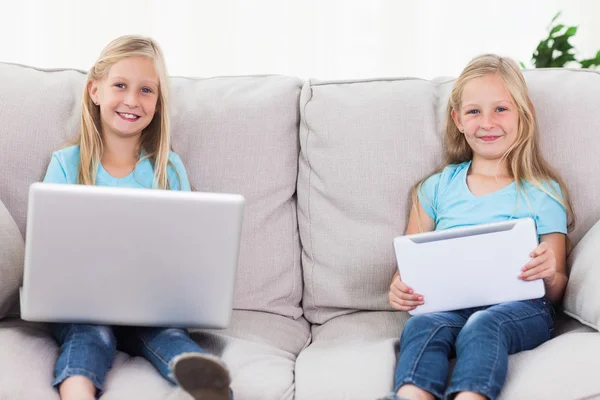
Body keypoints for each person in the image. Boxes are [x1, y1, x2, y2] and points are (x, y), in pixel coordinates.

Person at [43, 35, 232, 400]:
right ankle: (77, 392)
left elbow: (187, 248)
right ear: (94, 91)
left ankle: (207, 385)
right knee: (89, 334)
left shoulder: (168, 170)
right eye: (120, 86)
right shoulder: (65, 165)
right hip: (84, 303)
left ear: (158, 104)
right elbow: (51, 251)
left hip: (152, 304)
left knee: (170, 336)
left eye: (146, 90)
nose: (132, 100)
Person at [380, 54, 574, 400]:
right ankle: (411, 395)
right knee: (422, 326)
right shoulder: (435, 188)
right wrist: (399, 287)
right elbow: (408, 267)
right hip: (447, 308)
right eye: (473, 111)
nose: (487, 122)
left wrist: (547, 273)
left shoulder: (544, 192)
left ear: (523, 112)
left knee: (485, 325)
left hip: (524, 309)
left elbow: (556, 289)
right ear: (457, 119)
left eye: (500, 109)